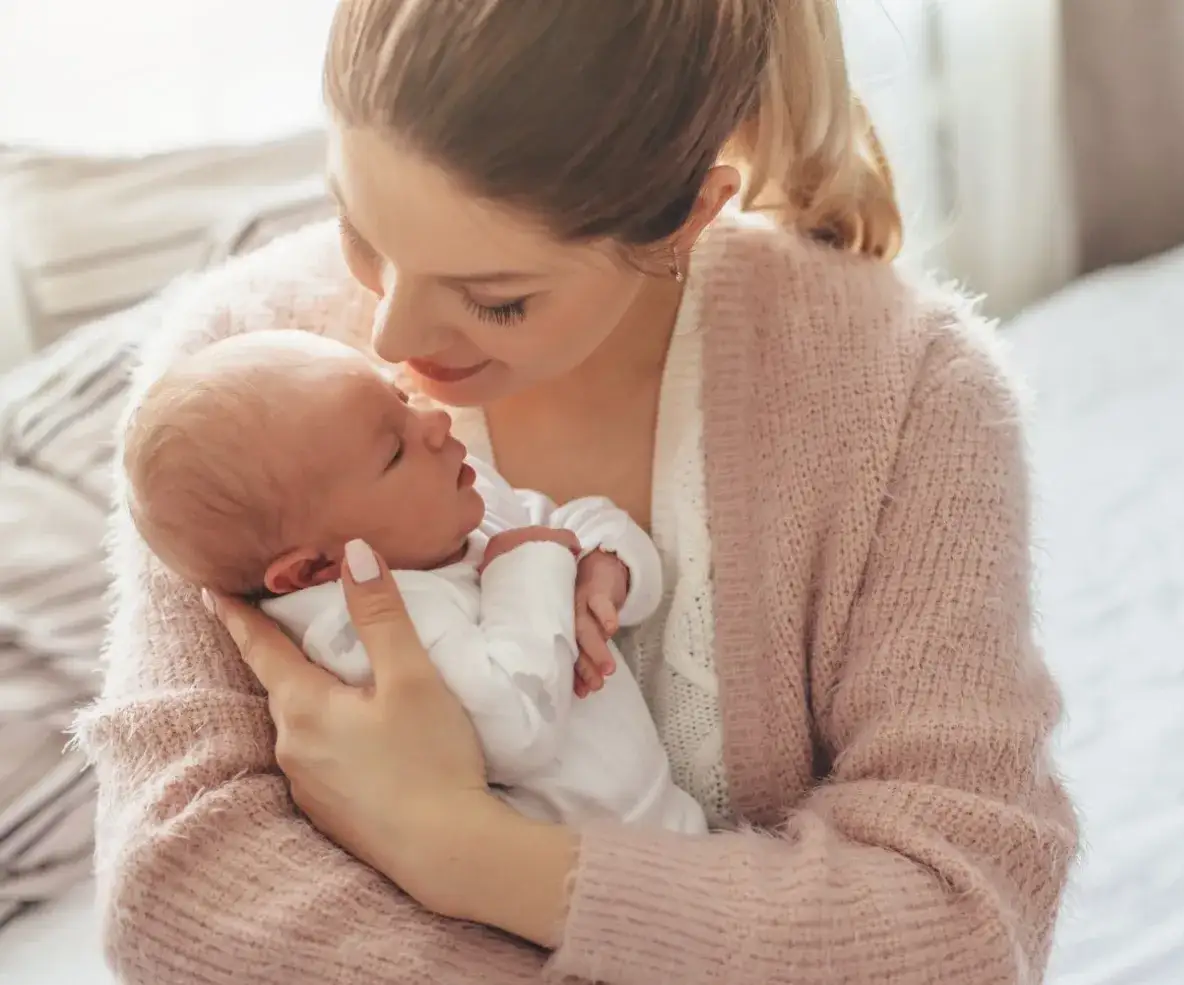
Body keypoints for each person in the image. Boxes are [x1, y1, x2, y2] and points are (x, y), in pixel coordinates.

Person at [76, 1, 1078, 983]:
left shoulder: (907, 394)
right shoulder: (236, 380)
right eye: (359, 230)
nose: (391, 340)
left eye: (496, 298)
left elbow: (960, 924)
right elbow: (176, 891)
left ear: (687, 217)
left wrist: (459, 852)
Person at [119, 329, 707, 833]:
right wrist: (530, 564)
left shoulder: (453, 509)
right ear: (313, 570)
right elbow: (516, 730)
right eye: (394, 451)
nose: (433, 420)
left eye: (399, 396)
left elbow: (574, 519)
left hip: (669, 822)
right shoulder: (361, 630)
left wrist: (606, 566)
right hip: (580, 872)